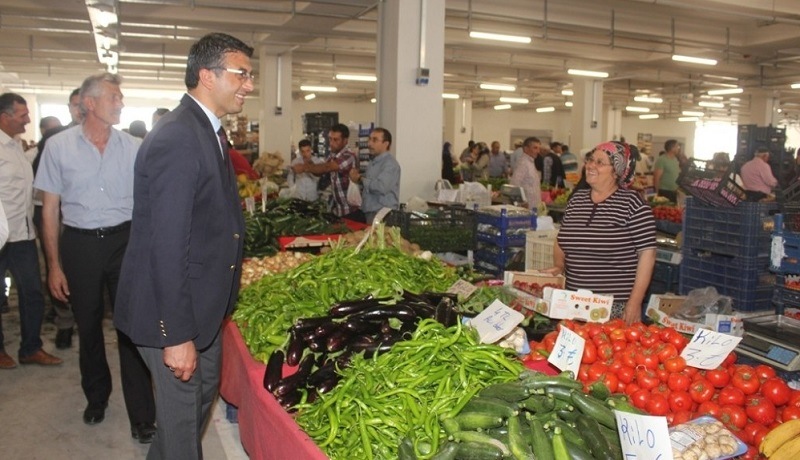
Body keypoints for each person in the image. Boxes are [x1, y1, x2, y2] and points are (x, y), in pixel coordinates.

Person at [114, 32, 252, 459]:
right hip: (168, 314)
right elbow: (166, 244)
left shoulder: (208, 130)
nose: (249, 84)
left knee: (191, 415)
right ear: (207, 76)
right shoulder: (178, 136)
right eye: (241, 74)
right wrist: (175, 335)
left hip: (201, 309)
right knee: (180, 433)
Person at [35, 74, 156, 439]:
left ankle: (142, 415)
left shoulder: (134, 146)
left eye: (120, 97)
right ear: (90, 103)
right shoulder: (58, 147)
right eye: (114, 97)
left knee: (132, 329)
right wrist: (54, 265)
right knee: (87, 326)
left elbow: (147, 203)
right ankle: (97, 398)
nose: (120, 103)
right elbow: (50, 210)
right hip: (81, 245)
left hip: (126, 242)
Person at [545, 141, 656, 325]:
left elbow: (648, 254)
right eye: (590, 160)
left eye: (599, 162)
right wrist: (559, 265)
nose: (590, 166)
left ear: (616, 171)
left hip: (612, 308)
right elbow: (561, 240)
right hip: (573, 303)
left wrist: (635, 302)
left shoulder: (632, 204)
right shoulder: (577, 200)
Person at [0, 93, 63, 369]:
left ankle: (31, 347)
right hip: (1, 237)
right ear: (4, 116)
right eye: (22, 114)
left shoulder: (15, 146)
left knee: (32, 293)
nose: (28, 119)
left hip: (23, 235)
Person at [31, 125, 75, 349]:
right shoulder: (54, 143)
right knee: (58, 270)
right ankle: (65, 323)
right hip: (53, 215)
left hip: (79, 221)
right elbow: (43, 197)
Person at [291, 123, 359, 218]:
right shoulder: (333, 155)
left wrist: (304, 167)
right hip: (338, 209)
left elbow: (327, 167)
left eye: (336, 140)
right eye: (330, 139)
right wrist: (309, 163)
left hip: (350, 210)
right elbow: (321, 172)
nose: (331, 143)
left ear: (345, 141)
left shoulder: (349, 156)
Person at [349, 127, 400, 224]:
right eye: (369, 139)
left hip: (383, 215)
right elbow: (369, 184)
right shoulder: (373, 163)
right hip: (370, 213)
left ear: (386, 144)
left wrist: (360, 179)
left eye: (375, 140)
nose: (369, 144)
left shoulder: (390, 164)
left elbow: (381, 187)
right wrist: (356, 178)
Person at [510, 136, 543, 211]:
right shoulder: (523, 164)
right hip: (527, 210)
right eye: (535, 148)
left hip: (533, 209)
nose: (538, 151)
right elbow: (514, 184)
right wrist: (521, 202)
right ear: (526, 149)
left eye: (538, 148)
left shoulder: (530, 162)